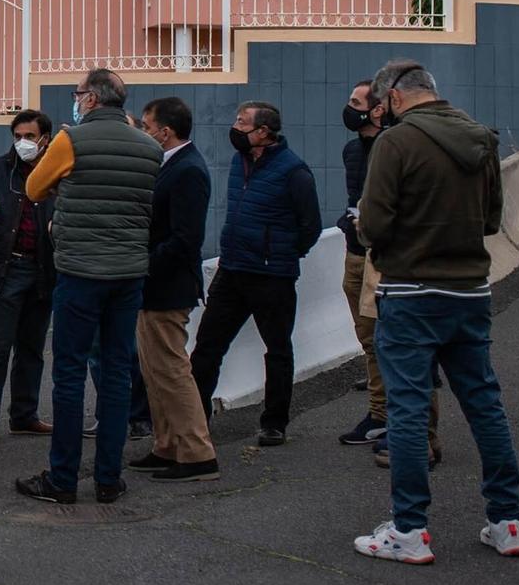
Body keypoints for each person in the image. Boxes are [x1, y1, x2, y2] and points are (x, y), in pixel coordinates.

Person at [353, 61, 519, 564]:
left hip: (409, 292)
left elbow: (376, 224)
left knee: (407, 409)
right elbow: (492, 219)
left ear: (396, 99)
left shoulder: (396, 142)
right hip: (470, 289)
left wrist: (371, 228)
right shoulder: (481, 138)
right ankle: (507, 521)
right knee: (484, 404)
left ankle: (409, 530)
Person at [13, 69, 161, 506]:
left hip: (79, 271)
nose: (75, 100)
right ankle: (108, 478)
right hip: (128, 272)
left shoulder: (70, 140)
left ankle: (62, 479)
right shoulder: (150, 148)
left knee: (71, 372)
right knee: (117, 372)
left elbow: (35, 188)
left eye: (78, 93)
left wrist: (66, 180)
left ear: (92, 100)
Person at [189, 101, 321, 447]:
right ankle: (196, 418)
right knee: (206, 348)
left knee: (277, 349)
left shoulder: (294, 171)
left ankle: (274, 423)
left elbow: (310, 227)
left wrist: (277, 256)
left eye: (242, 122)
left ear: (263, 132)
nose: (234, 127)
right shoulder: (239, 161)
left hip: (271, 276)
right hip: (232, 270)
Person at [129, 97, 219, 481]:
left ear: (165, 132)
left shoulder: (188, 170)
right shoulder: (170, 166)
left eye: (148, 127)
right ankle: (167, 444)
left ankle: (197, 452)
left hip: (168, 287)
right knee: (155, 371)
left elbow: (186, 237)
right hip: (155, 288)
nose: (145, 133)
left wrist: (144, 265)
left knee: (172, 370)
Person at [0, 110, 55, 444]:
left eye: (30, 137)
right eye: (18, 136)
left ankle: (24, 415)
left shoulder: (55, 170)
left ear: (44, 139)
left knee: (31, 348)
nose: (23, 143)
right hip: (8, 267)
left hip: (44, 269)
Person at [338, 80, 389, 446]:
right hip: (353, 254)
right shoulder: (351, 151)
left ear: (377, 109)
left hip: (379, 257)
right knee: (366, 338)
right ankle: (382, 409)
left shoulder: (393, 149)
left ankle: (381, 414)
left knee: (378, 339)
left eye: (356, 102)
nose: (348, 107)